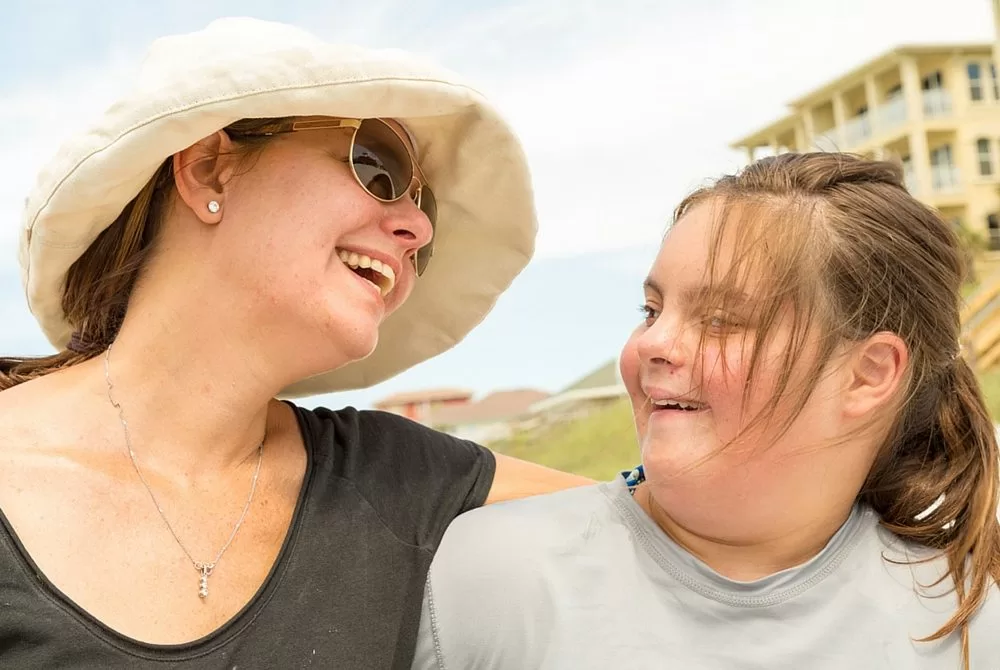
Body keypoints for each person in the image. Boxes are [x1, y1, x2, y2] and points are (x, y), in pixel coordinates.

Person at [0, 17, 589, 669]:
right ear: (210, 171)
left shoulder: (395, 479)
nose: (418, 226)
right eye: (380, 165)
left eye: (429, 209)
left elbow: (652, 518)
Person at [413, 152, 1000, 669]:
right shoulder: (489, 577)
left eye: (720, 320)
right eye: (651, 310)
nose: (652, 344)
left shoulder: (970, 623)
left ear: (867, 375)